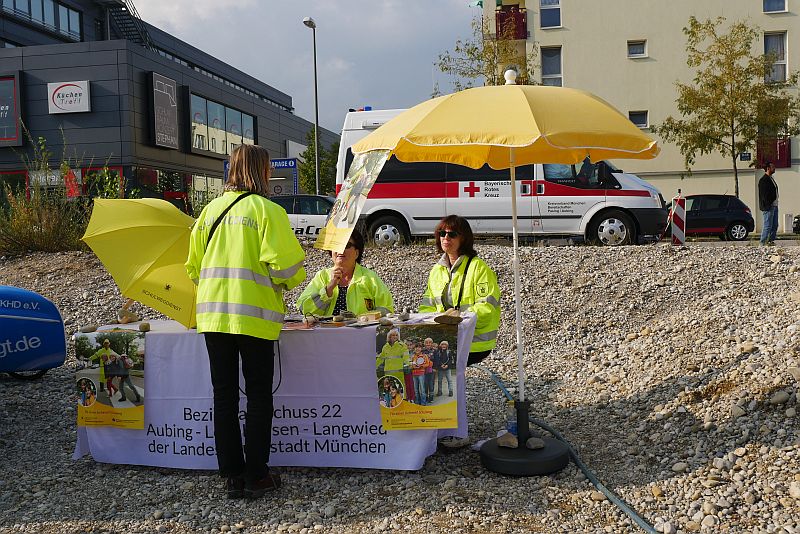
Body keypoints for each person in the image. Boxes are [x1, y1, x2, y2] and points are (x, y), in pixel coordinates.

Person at [186, 144, 306, 500]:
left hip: (212, 316)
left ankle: (232, 476)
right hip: (253, 317)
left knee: (222, 396)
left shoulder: (208, 212)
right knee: (257, 397)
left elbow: (193, 267)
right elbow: (286, 268)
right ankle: (257, 475)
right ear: (261, 171)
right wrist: (285, 282)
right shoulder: (268, 211)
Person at [419, 215, 501, 366]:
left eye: (452, 234)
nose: (446, 238)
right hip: (444, 339)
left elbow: (487, 309)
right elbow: (426, 306)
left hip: (474, 343)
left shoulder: (479, 268)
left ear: (463, 239)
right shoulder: (436, 270)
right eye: (442, 233)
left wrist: (460, 317)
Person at [296, 229, 393, 317]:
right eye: (336, 245)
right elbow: (303, 309)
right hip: (326, 334)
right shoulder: (322, 276)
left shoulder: (370, 278)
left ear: (356, 253)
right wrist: (329, 288)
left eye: (347, 245)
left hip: (360, 335)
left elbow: (387, 310)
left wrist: (361, 319)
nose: (340, 250)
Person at [758, 161, 779, 246]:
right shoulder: (764, 180)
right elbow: (764, 195)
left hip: (774, 206)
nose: (774, 168)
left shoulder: (771, 178)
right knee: (767, 226)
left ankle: (770, 241)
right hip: (769, 207)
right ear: (768, 168)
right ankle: (762, 243)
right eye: (772, 167)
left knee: (775, 225)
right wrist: (769, 204)